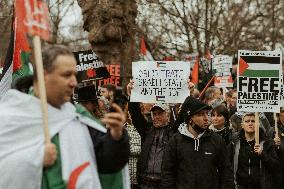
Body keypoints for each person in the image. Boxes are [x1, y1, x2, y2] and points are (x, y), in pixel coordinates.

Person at [0, 45, 128, 189]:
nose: (74, 82)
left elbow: (107, 164)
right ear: (43, 75)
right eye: (67, 75)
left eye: (75, 75)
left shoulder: (77, 115)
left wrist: (116, 137)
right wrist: (35, 158)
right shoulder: (12, 115)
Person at [161, 96, 234, 189]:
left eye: (206, 114)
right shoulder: (175, 141)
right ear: (190, 119)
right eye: (200, 114)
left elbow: (226, 173)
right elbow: (167, 173)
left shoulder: (216, 140)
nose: (206, 118)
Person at [127, 80, 175, 189]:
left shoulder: (174, 132)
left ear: (167, 115)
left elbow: (184, 116)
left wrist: (188, 92)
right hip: (145, 181)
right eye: (154, 114)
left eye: (160, 113)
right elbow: (135, 114)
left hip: (164, 183)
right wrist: (131, 95)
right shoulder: (147, 129)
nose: (156, 117)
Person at [230, 113, 280, 189]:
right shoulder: (235, 144)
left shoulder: (266, 143)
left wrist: (263, 154)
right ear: (242, 125)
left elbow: (275, 166)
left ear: (258, 124)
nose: (250, 123)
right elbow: (228, 167)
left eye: (253, 121)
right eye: (247, 121)